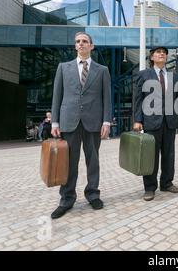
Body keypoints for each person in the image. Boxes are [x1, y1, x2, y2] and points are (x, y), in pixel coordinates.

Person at [50, 32, 112, 219]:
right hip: (69, 121)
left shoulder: (102, 70)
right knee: (69, 162)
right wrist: (54, 121)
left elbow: (107, 98)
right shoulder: (63, 68)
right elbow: (57, 96)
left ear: (91, 46)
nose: (81, 44)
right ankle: (67, 199)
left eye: (85, 41)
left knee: (93, 161)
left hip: (93, 122)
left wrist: (106, 121)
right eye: (78, 42)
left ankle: (93, 194)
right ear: (75, 46)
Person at [133, 47, 178, 201]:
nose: (162, 54)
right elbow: (138, 99)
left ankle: (167, 183)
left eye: (164, 52)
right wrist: (137, 120)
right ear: (152, 57)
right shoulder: (143, 74)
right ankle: (150, 188)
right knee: (151, 156)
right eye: (158, 52)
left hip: (170, 121)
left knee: (169, 155)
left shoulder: (173, 76)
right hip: (151, 121)